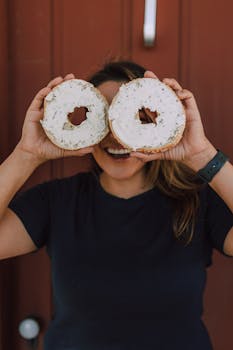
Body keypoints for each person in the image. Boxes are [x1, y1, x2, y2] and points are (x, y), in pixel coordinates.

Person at [0, 60, 233, 350]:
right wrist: (26, 155)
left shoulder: (199, 201)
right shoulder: (56, 201)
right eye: (103, 118)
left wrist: (202, 156)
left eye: (130, 116)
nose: (115, 134)